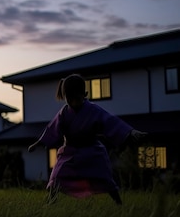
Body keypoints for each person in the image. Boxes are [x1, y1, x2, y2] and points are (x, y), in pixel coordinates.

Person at [28, 73, 147, 205]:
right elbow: (52, 129)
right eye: (70, 98)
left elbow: (111, 122)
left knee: (105, 178)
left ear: (84, 94)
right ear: (65, 96)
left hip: (92, 151)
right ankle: (51, 201)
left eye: (76, 98)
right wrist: (38, 143)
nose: (73, 102)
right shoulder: (64, 113)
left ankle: (118, 202)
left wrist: (130, 132)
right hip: (70, 152)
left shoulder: (93, 110)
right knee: (57, 175)